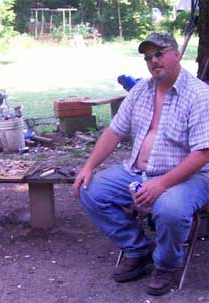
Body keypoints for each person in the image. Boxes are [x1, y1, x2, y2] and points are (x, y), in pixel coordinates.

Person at [73, 33, 209, 296]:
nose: (153, 61)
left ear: (176, 54)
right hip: (137, 172)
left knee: (170, 210)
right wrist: (88, 167)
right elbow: (114, 132)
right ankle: (138, 249)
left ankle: (165, 266)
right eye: (148, 57)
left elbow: (203, 154)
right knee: (90, 190)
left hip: (189, 176)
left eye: (159, 54)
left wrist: (161, 184)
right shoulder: (141, 91)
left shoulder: (200, 95)